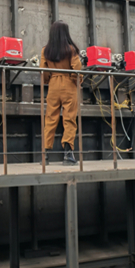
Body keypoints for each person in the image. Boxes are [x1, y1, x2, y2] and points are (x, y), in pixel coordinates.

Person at [40, 21, 82, 165]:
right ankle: (68, 155)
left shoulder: (45, 51)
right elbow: (77, 69)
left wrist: (48, 80)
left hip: (53, 85)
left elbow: (43, 72)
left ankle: (45, 155)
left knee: (50, 119)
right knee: (69, 119)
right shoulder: (71, 49)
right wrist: (77, 81)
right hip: (69, 85)